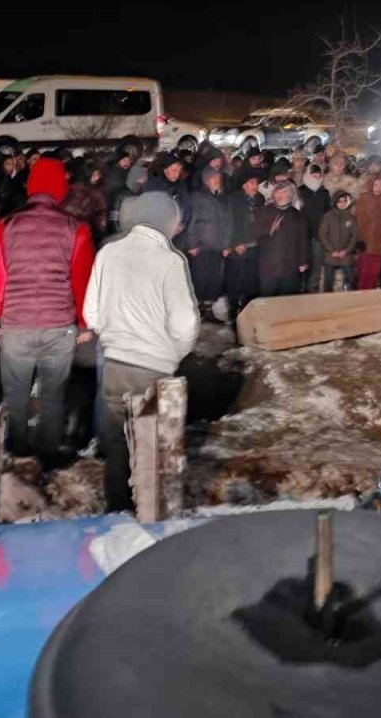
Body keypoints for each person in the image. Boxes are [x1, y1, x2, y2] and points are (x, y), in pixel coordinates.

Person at [83, 192, 199, 512]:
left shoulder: (108, 253)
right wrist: (175, 352)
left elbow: (91, 313)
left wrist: (113, 336)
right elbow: (185, 321)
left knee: (119, 445)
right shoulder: (169, 261)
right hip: (155, 369)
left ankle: (117, 511)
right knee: (153, 444)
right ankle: (152, 513)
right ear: (165, 221)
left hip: (116, 365)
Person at [0, 158, 95, 458]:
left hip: (16, 325)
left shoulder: (5, 225)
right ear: (61, 188)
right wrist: (84, 323)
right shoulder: (76, 228)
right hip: (59, 326)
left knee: (16, 394)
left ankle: (17, 452)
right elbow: (82, 282)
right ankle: (46, 456)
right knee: (53, 396)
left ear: (31, 186)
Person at [185, 167, 232, 315]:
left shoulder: (220, 198)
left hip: (216, 245)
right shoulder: (197, 197)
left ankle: (208, 309)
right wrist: (192, 244)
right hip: (201, 246)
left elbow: (225, 223)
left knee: (213, 278)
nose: (218, 181)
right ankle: (196, 310)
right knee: (200, 277)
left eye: (219, 179)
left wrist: (226, 244)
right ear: (206, 181)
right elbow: (191, 221)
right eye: (214, 179)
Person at [254, 180, 308, 296]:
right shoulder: (264, 211)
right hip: (268, 264)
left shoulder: (297, 215)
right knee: (267, 298)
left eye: (284, 192)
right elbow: (254, 232)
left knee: (286, 299)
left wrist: (303, 261)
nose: (280, 196)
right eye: (278, 192)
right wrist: (269, 229)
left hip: (289, 264)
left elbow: (302, 240)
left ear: (291, 195)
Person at [224, 173, 263, 318]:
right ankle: (233, 309)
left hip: (255, 244)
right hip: (238, 245)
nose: (255, 186)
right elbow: (230, 222)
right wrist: (236, 243)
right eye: (252, 182)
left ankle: (247, 308)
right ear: (244, 184)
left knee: (251, 278)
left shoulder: (260, 199)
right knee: (235, 277)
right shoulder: (234, 199)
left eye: (256, 183)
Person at [353, 176, 381, 290]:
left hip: (379, 243)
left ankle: (371, 300)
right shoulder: (363, 199)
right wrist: (359, 239)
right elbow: (358, 220)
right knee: (364, 273)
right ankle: (361, 300)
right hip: (365, 241)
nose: (378, 188)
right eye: (376, 185)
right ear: (370, 185)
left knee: (374, 274)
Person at [298, 164, 331, 292]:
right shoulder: (300, 191)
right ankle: (300, 290)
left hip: (319, 236)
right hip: (303, 236)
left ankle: (312, 290)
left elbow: (328, 213)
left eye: (318, 176)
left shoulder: (324, 192)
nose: (316, 178)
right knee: (302, 264)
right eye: (313, 175)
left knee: (316, 266)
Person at [318, 190, 359, 292]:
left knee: (352, 278)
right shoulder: (328, 216)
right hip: (331, 254)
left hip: (346, 254)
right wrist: (332, 251)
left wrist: (346, 251)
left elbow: (354, 236)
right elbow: (322, 235)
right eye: (339, 201)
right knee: (328, 280)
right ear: (335, 202)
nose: (342, 203)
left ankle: (351, 295)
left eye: (344, 201)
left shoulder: (351, 217)